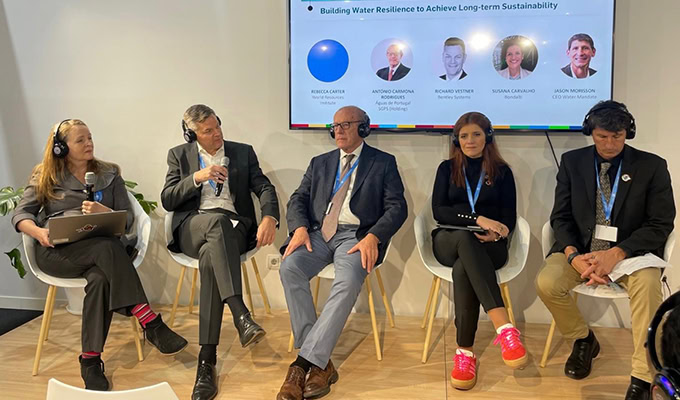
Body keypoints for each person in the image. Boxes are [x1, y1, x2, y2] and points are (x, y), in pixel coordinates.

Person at [12, 119, 188, 391]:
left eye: (90, 138)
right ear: (61, 147)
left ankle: (90, 361)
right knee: (107, 249)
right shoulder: (44, 174)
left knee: (100, 278)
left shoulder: (109, 173)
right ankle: (149, 321)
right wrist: (38, 233)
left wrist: (102, 213)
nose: (89, 143)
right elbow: (22, 214)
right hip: (58, 255)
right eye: (80, 140)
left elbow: (127, 219)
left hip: (101, 253)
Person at [535, 100, 675, 400]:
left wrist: (618, 253)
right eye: (602, 136)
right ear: (591, 132)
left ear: (628, 133)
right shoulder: (572, 163)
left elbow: (661, 223)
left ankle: (641, 375)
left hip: (631, 254)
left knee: (649, 287)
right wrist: (572, 255)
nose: (610, 144)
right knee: (547, 283)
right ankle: (584, 340)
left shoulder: (652, 166)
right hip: (582, 251)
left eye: (617, 136)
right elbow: (560, 216)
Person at [276, 106, 407, 400]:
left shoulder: (383, 163)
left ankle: (302, 364)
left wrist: (374, 235)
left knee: (347, 282)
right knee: (289, 268)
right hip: (318, 234)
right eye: (335, 126)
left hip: (356, 237)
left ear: (364, 128)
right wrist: (298, 228)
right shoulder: (320, 162)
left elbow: (397, 207)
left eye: (346, 125)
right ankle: (320, 361)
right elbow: (298, 198)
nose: (339, 131)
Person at [161, 104, 279, 400]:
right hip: (193, 225)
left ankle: (206, 360)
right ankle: (240, 313)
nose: (216, 134)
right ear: (192, 134)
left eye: (217, 127)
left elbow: (263, 187)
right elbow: (167, 199)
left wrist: (269, 217)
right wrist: (197, 177)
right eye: (207, 131)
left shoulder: (242, 152)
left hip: (234, 227)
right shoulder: (179, 155)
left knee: (212, 250)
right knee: (214, 223)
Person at [431, 112, 527, 390]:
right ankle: (505, 328)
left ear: (488, 137)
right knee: (465, 240)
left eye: (476, 134)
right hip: (449, 240)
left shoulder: (502, 172)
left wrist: (497, 232)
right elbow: (440, 211)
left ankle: (465, 353)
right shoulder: (446, 168)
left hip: (490, 246)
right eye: (463, 136)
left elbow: (509, 216)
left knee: (465, 267)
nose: (470, 141)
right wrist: (477, 220)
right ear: (456, 140)